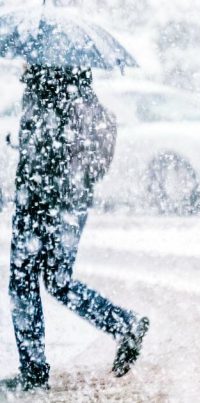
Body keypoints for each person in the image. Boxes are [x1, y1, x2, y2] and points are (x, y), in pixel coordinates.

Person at [3, 65, 150, 393]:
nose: (23, 64)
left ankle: (34, 372)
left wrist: (31, 149)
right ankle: (123, 324)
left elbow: (48, 149)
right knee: (58, 281)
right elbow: (77, 155)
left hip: (41, 200)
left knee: (23, 282)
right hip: (72, 202)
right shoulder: (82, 94)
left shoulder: (46, 91)